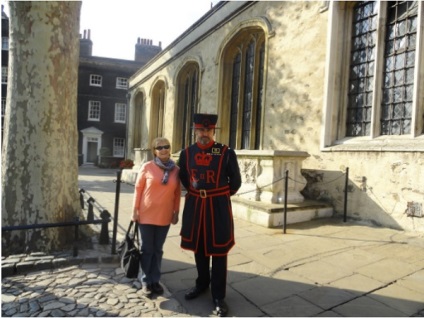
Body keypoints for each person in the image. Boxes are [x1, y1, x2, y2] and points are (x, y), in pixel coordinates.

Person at [178, 113, 241, 317]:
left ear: (213, 130)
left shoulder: (224, 152)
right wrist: (199, 193)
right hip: (196, 205)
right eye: (200, 130)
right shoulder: (187, 153)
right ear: (195, 130)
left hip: (218, 207)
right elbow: (185, 178)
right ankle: (201, 284)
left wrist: (219, 196)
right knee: (199, 248)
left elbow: (236, 181)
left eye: (208, 130)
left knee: (219, 252)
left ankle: (218, 296)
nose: (204, 133)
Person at [131, 137, 181, 297]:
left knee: (158, 250)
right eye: (160, 147)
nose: (164, 149)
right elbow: (138, 189)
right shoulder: (147, 167)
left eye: (166, 146)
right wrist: (135, 210)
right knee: (147, 249)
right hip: (146, 215)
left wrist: (176, 212)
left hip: (165, 216)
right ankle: (145, 281)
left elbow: (177, 193)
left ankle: (155, 280)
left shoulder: (176, 170)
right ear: (154, 151)